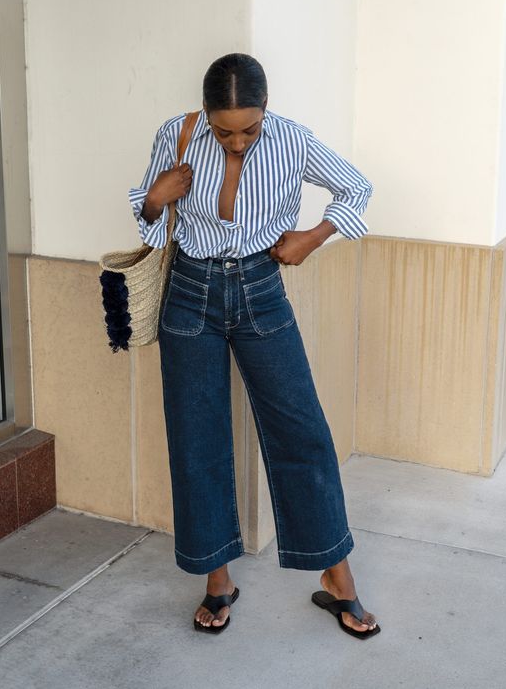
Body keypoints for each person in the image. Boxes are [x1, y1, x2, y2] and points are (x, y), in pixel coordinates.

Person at [128, 53, 380, 640]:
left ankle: (337, 578)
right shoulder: (177, 134)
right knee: (198, 437)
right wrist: (155, 198)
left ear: (267, 111)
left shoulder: (291, 139)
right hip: (189, 294)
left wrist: (314, 237)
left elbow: (358, 186)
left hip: (260, 290)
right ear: (206, 115)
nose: (236, 142)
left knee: (302, 431)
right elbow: (146, 215)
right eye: (224, 131)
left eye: (249, 129)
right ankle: (218, 579)